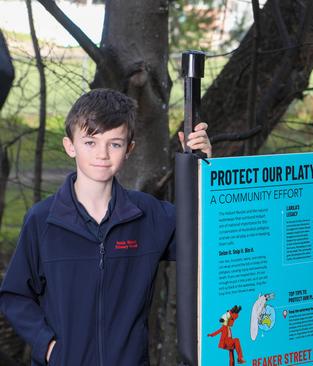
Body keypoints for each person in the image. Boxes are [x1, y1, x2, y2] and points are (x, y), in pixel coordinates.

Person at [0, 89, 211, 365]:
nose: (102, 154)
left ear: (129, 149)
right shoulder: (42, 220)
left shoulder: (149, 216)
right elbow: (15, 296)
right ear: (70, 145)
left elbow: (207, 233)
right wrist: (49, 346)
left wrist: (204, 168)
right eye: (90, 142)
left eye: (115, 144)